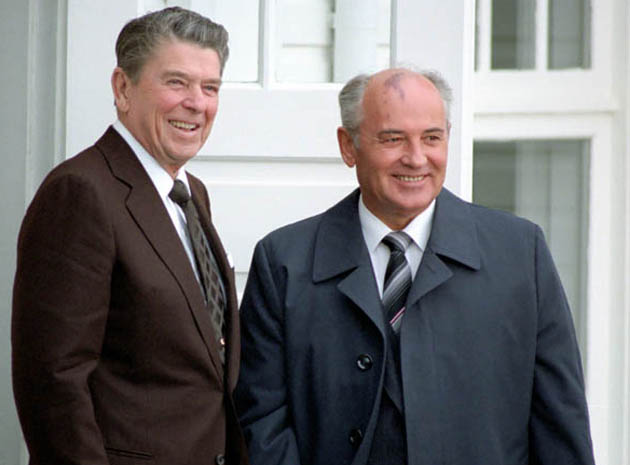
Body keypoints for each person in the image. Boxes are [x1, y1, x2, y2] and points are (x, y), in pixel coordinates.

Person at [234, 68, 595, 465]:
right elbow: (261, 425)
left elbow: (560, 422)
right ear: (348, 145)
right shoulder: (283, 261)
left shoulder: (520, 253)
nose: (416, 157)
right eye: (393, 139)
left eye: (432, 138)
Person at [12, 7, 247, 465]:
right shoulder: (81, 192)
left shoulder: (189, 193)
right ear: (123, 88)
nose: (197, 103)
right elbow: (53, 381)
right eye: (176, 82)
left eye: (210, 87)